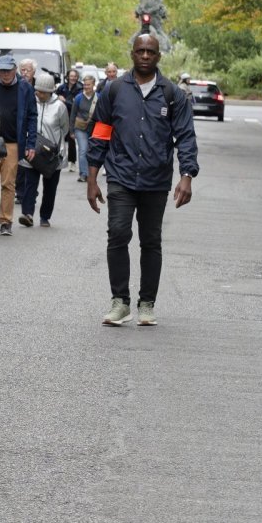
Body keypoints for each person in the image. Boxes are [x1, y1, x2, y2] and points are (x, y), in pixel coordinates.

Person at [88, 34, 198, 327]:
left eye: (151, 51)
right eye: (141, 51)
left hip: (155, 180)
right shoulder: (114, 91)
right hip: (121, 177)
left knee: (151, 241)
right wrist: (92, 177)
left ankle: (147, 303)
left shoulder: (173, 94)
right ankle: (120, 302)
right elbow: (100, 133)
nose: (146, 56)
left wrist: (186, 176)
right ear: (132, 54)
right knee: (118, 233)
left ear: (158, 56)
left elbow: (185, 137)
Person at [0, 55, 37, 236]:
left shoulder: (25, 88)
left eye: (8, 70)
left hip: (13, 142)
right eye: (2, 70)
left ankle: (6, 221)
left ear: (15, 69)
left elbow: (32, 116)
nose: (5, 74)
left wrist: (31, 143)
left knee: (8, 183)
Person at [18, 72, 70, 228]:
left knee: (50, 187)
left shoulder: (59, 106)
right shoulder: (30, 102)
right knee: (30, 184)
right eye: (36, 90)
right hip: (32, 149)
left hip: (52, 153)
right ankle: (27, 214)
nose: (37, 93)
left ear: (49, 92)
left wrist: (56, 146)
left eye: (41, 91)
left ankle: (45, 217)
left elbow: (64, 128)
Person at [72, 74, 99, 182]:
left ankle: (92, 173)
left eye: (88, 85)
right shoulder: (78, 98)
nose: (86, 87)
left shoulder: (99, 97)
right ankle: (83, 173)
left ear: (93, 85)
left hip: (94, 128)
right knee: (83, 150)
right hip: (80, 128)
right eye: (85, 85)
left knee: (92, 151)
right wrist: (71, 130)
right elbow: (73, 114)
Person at [56, 68, 83, 164]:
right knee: (59, 137)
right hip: (60, 115)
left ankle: (72, 161)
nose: (73, 78)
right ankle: (57, 158)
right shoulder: (61, 87)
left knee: (71, 139)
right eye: (71, 76)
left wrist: (64, 101)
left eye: (75, 76)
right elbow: (54, 98)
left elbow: (76, 105)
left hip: (73, 116)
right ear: (67, 77)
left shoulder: (80, 88)